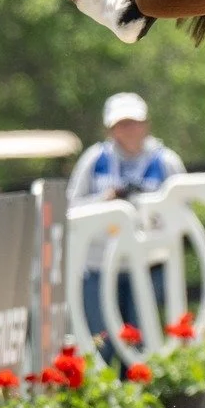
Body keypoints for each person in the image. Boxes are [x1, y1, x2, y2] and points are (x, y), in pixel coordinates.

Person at [70, 93, 185, 344]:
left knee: (143, 339)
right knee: (101, 341)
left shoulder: (166, 161)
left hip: (148, 264)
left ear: (146, 124)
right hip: (98, 264)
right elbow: (72, 208)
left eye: (134, 122)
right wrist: (105, 200)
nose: (129, 130)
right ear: (109, 129)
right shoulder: (94, 160)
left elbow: (183, 211)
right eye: (121, 124)